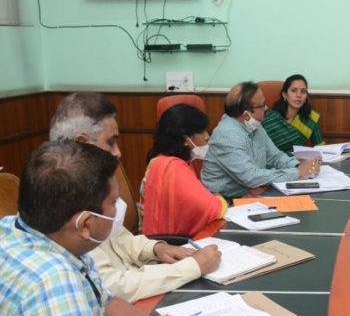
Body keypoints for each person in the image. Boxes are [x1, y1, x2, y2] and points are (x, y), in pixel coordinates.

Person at [0, 141, 242, 316]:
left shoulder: (28, 232)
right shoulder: (50, 283)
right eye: (113, 202)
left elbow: (103, 302)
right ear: (85, 224)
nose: (120, 207)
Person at [49, 92, 221, 303]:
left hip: (138, 284)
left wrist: (157, 248)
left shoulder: (91, 187)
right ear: (82, 143)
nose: (118, 153)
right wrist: (192, 267)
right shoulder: (63, 204)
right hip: (126, 303)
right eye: (110, 142)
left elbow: (122, 240)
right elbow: (114, 287)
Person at [202, 81, 319, 199]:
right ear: (246, 115)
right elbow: (250, 177)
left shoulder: (254, 125)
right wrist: (297, 172)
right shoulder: (227, 136)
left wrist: (298, 165)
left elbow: (275, 156)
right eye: (262, 105)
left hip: (250, 192)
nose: (266, 108)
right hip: (223, 201)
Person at [140, 103, 228, 236]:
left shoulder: (161, 159)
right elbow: (215, 209)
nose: (207, 136)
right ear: (185, 139)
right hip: (169, 242)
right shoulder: (173, 168)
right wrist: (218, 198)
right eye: (201, 132)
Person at [262, 74, 325, 155]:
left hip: (297, 161)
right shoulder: (270, 119)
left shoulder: (310, 119)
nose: (299, 95)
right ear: (284, 94)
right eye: (294, 90)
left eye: (303, 91)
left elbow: (321, 147)